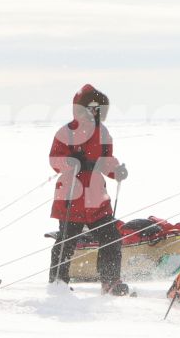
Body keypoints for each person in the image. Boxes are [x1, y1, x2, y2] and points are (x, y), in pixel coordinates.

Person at [48, 85, 129, 294]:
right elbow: (54, 160)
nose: (94, 111)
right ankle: (58, 284)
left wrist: (116, 171)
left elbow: (106, 161)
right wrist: (71, 162)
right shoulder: (66, 132)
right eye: (91, 106)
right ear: (80, 108)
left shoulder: (103, 133)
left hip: (96, 196)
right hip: (71, 196)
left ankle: (110, 281)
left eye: (98, 107)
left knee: (111, 237)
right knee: (66, 241)